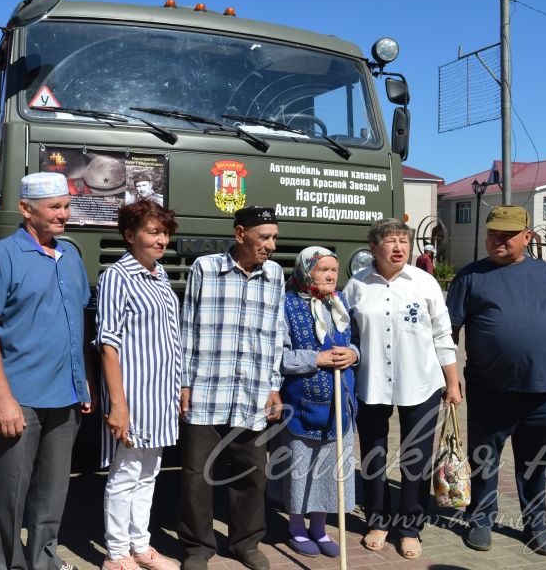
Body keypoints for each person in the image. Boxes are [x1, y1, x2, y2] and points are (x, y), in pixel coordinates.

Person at [0, 172, 96, 570]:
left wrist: (86, 383)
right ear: (26, 210)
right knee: (10, 495)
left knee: (53, 493)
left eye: (66, 206)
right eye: (54, 208)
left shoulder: (71, 256)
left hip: (67, 397)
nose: (64, 215)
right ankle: (5, 564)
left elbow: (79, 323)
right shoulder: (0, 256)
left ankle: (43, 560)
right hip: (20, 400)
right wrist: (0, 398)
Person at [445, 205, 546, 556]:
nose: (498, 241)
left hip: (544, 389)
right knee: (484, 459)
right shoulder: (470, 276)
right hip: (489, 389)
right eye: (493, 234)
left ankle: (536, 526)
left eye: (507, 235)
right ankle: (480, 520)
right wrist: (448, 378)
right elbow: (449, 331)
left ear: (527, 236)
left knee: (536, 462)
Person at [343, 218, 461, 560]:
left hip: (421, 382)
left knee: (416, 458)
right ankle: (377, 521)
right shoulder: (358, 285)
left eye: (404, 241)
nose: (399, 247)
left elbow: (443, 335)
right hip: (372, 383)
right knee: (373, 456)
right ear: (373, 248)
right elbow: (346, 332)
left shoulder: (424, 283)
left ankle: (409, 527)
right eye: (391, 241)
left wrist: (452, 382)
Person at [179, 206, 284, 570]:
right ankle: (197, 546)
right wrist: (184, 382)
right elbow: (187, 327)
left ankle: (245, 542)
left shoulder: (275, 276)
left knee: (252, 472)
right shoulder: (205, 269)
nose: (271, 246)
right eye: (264, 237)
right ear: (241, 234)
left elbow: (275, 333)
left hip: (253, 390)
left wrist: (273, 386)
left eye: (274, 238)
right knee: (196, 473)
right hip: (208, 387)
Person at [95, 200, 182, 570]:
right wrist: (119, 404)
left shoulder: (160, 276)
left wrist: (177, 390)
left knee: (149, 474)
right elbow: (107, 343)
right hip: (133, 395)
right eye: (153, 231)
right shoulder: (117, 276)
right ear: (130, 235)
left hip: (160, 397)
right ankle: (116, 554)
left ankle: (141, 546)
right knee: (125, 475)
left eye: (164, 233)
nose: (161, 239)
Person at [267, 246, 359, 559]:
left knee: (330, 470)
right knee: (300, 469)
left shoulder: (341, 302)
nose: (331, 275)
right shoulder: (287, 304)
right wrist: (315, 358)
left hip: (339, 405)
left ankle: (319, 528)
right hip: (302, 404)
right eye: (323, 270)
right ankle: (295, 527)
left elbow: (356, 342)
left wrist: (353, 354)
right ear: (306, 272)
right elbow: (278, 355)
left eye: (334, 270)